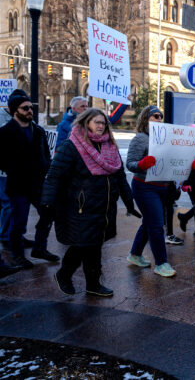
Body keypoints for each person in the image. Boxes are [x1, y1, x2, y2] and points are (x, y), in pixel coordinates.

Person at [41, 108, 140, 296]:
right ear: (86, 123)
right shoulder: (71, 146)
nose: (101, 126)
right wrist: (47, 204)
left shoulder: (110, 146)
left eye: (104, 123)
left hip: (103, 207)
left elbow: (120, 177)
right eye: (97, 122)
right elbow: (54, 176)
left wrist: (129, 202)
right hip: (79, 207)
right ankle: (64, 275)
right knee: (82, 244)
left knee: (94, 245)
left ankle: (92, 284)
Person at [0, 93, 58, 268]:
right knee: (19, 221)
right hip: (18, 184)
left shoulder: (38, 130)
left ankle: (40, 248)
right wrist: (16, 167)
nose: (29, 111)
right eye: (25, 108)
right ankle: (18, 255)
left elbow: (46, 154)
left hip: (37, 183)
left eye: (30, 107)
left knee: (48, 213)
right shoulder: (5, 132)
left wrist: (45, 167)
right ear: (14, 111)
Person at [125, 105, 176, 277]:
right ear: (146, 119)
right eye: (155, 116)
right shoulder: (140, 139)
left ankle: (135, 254)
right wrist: (141, 164)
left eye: (161, 116)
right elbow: (130, 163)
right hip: (145, 187)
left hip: (163, 187)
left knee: (149, 222)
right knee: (156, 225)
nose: (159, 119)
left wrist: (184, 167)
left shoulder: (166, 139)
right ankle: (161, 263)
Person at [0, 89, 33, 250]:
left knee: (22, 206)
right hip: (5, 173)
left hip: (24, 173)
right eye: (24, 107)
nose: (29, 110)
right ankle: (6, 236)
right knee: (8, 204)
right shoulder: (3, 121)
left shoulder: (28, 120)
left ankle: (19, 235)